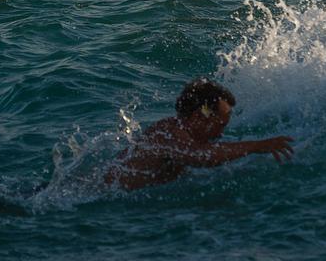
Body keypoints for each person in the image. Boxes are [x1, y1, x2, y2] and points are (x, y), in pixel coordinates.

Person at [105, 79, 295, 191]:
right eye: (219, 125)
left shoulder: (182, 134)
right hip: (100, 197)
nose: (221, 132)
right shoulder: (167, 133)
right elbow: (202, 156)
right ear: (198, 117)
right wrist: (256, 146)